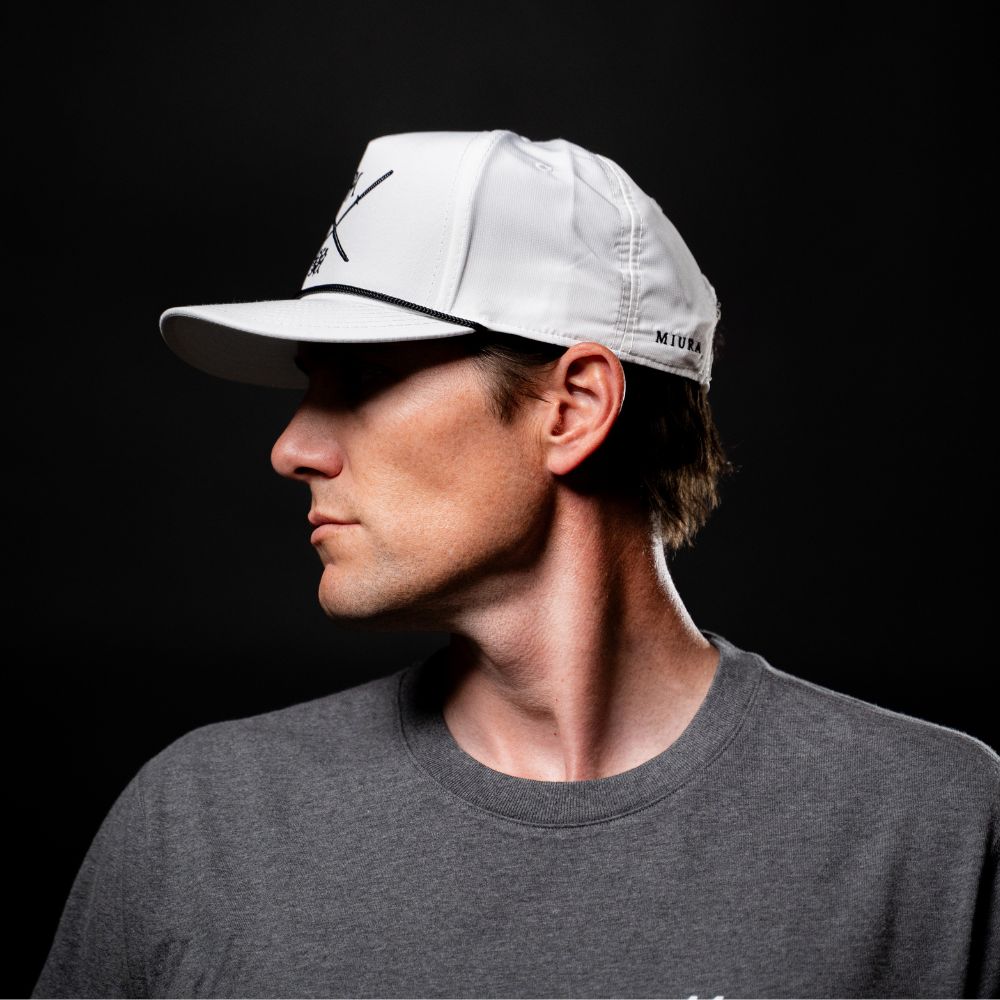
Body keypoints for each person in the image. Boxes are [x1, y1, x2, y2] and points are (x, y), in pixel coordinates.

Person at [33, 129, 998, 999]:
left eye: (361, 380)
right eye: (309, 384)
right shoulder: (201, 825)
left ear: (572, 408)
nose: (292, 448)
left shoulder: (936, 829)